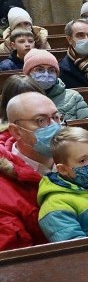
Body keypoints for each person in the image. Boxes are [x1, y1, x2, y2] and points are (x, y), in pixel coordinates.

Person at [0, 92, 60, 249]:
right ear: (16, 131)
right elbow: (14, 257)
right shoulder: (4, 185)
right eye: (40, 121)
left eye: (56, 117)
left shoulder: (77, 155)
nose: (54, 126)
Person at [23, 49, 88, 121]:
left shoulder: (73, 97)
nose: (46, 74)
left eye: (51, 70)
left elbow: (87, 127)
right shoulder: (20, 100)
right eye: (39, 70)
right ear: (28, 73)